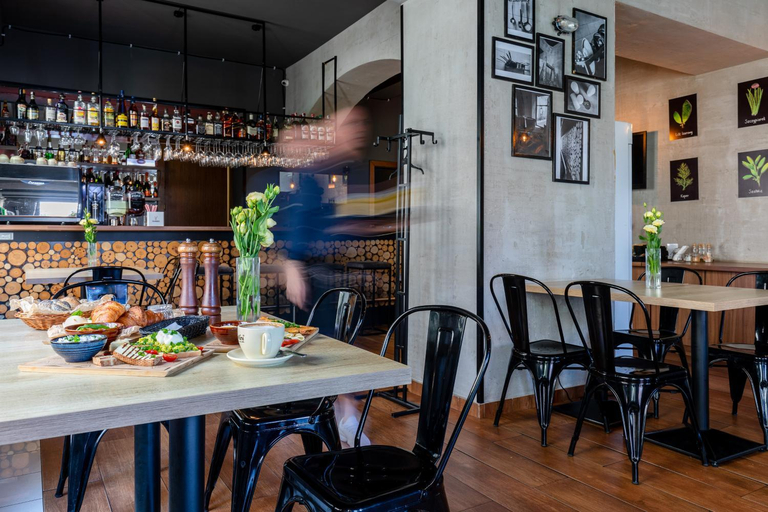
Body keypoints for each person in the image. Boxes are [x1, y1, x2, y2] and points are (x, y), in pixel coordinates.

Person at [280, 105, 376, 445]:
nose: (359, 132)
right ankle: (338, 416)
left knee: (335, 347)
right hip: (313, 273)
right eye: (353, 125)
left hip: (329, 272)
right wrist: (293, 263)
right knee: (324, 348)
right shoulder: (315, 163)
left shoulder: (338, 166)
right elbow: (300, 214)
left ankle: (341, 414)